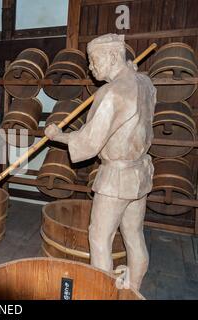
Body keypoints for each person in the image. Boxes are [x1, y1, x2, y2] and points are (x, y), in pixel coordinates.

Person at [45, 34, 156, 290]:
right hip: (139, 171)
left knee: (99, 237)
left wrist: (58, 135)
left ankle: (102, 292)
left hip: (116, 177)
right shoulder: (145, 83)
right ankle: (133, 288)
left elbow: (90, 141)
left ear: (114, 56)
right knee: (134, 234)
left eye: (94, 60)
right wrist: (132, 72)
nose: (91, 67)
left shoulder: (111, 92)